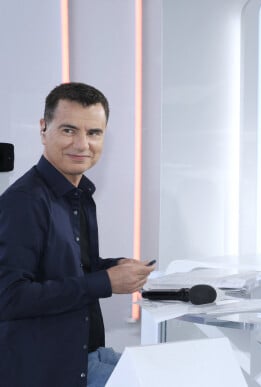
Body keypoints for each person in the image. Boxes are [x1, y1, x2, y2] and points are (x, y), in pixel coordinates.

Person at [0, 82, 155, 387]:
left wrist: (112, 267)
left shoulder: (79, 194)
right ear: (44, 130)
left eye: (94, 133)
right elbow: (10, 296)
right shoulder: (25, 202)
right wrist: (105, 282)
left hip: (86, 354)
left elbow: (62, 269)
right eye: (69, 130)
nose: (82, 145)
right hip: (52, 369)